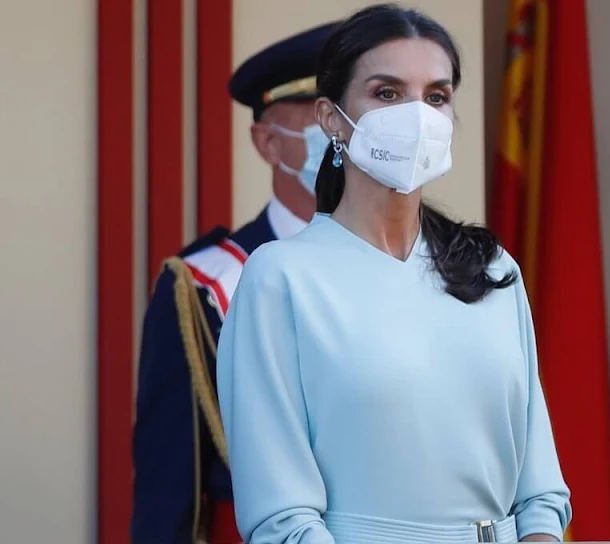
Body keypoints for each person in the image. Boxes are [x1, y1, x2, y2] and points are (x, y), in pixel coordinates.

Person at [216, 4, 572, 544]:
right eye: (387, 93)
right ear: (332, 117)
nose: (417, 115)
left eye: (436, 96)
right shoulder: (281, 279)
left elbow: (540, 490)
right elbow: (282, 516)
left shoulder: (493, 269)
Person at [131, 21, 337, 544]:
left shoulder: (429, 265)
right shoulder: (202, 286)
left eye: (354, 113)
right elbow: (168, 493)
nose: (345, 134)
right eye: (322, 117)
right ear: (268, 142)